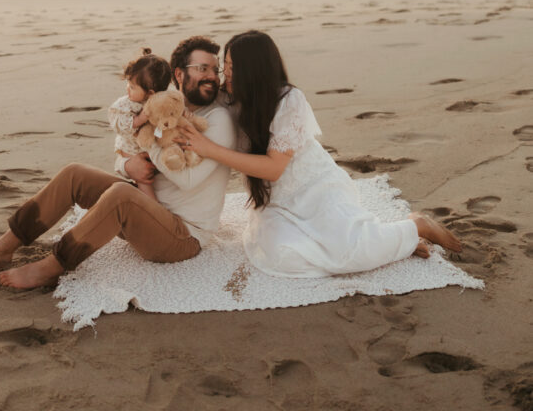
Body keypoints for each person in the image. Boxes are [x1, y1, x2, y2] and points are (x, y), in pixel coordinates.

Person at [0, 36, 235, 290]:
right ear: (179, 75)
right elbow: (127, 155)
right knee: (75, 173)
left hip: (182, 237)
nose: (212, 76)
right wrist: (128, 167)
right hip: (146, 212)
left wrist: (147, 144)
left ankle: (52, 267)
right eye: (202, 68)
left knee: (122, 195)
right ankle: (2, 248)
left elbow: (187, 180)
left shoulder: (217, 120)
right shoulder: (165, 107)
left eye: (215, 69)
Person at [177, 30, 461, 278]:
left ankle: (414, 226)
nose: (225, 76)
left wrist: (211, 150)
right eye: (225, 68)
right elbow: (179, 98)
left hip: (314, 189)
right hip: (276, 202)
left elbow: (274, 168)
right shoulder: (230, 97)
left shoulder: (288, 101)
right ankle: (390, 244)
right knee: (281, 257)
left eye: (231, 68)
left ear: (253, 71)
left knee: (351, 253)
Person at [107, 47, 171, 201]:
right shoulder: (126, 104)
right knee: (144, 180)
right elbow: (121, 126)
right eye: (129, 84)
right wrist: (140, 119)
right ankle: (152, 206)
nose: (128, 89)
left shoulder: (161, 101)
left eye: (133, 87)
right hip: (131, 149)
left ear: (150, 93)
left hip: (150, 145)